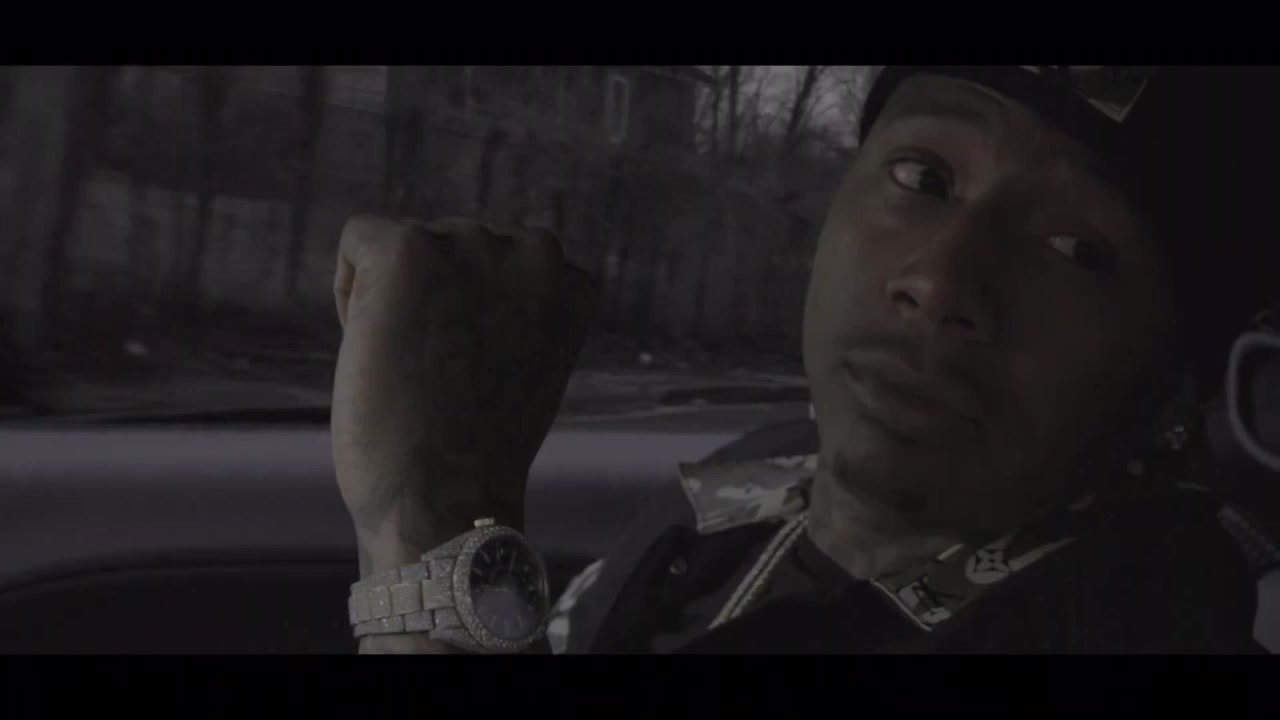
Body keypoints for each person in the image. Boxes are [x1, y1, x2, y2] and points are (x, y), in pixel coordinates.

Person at [332, 66, 1278, 654]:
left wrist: (435, 521)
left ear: (1175, 388)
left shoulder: (1131, 626)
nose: (940, 280)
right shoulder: (758, 486)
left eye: (1076, 249)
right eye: (923, 178)